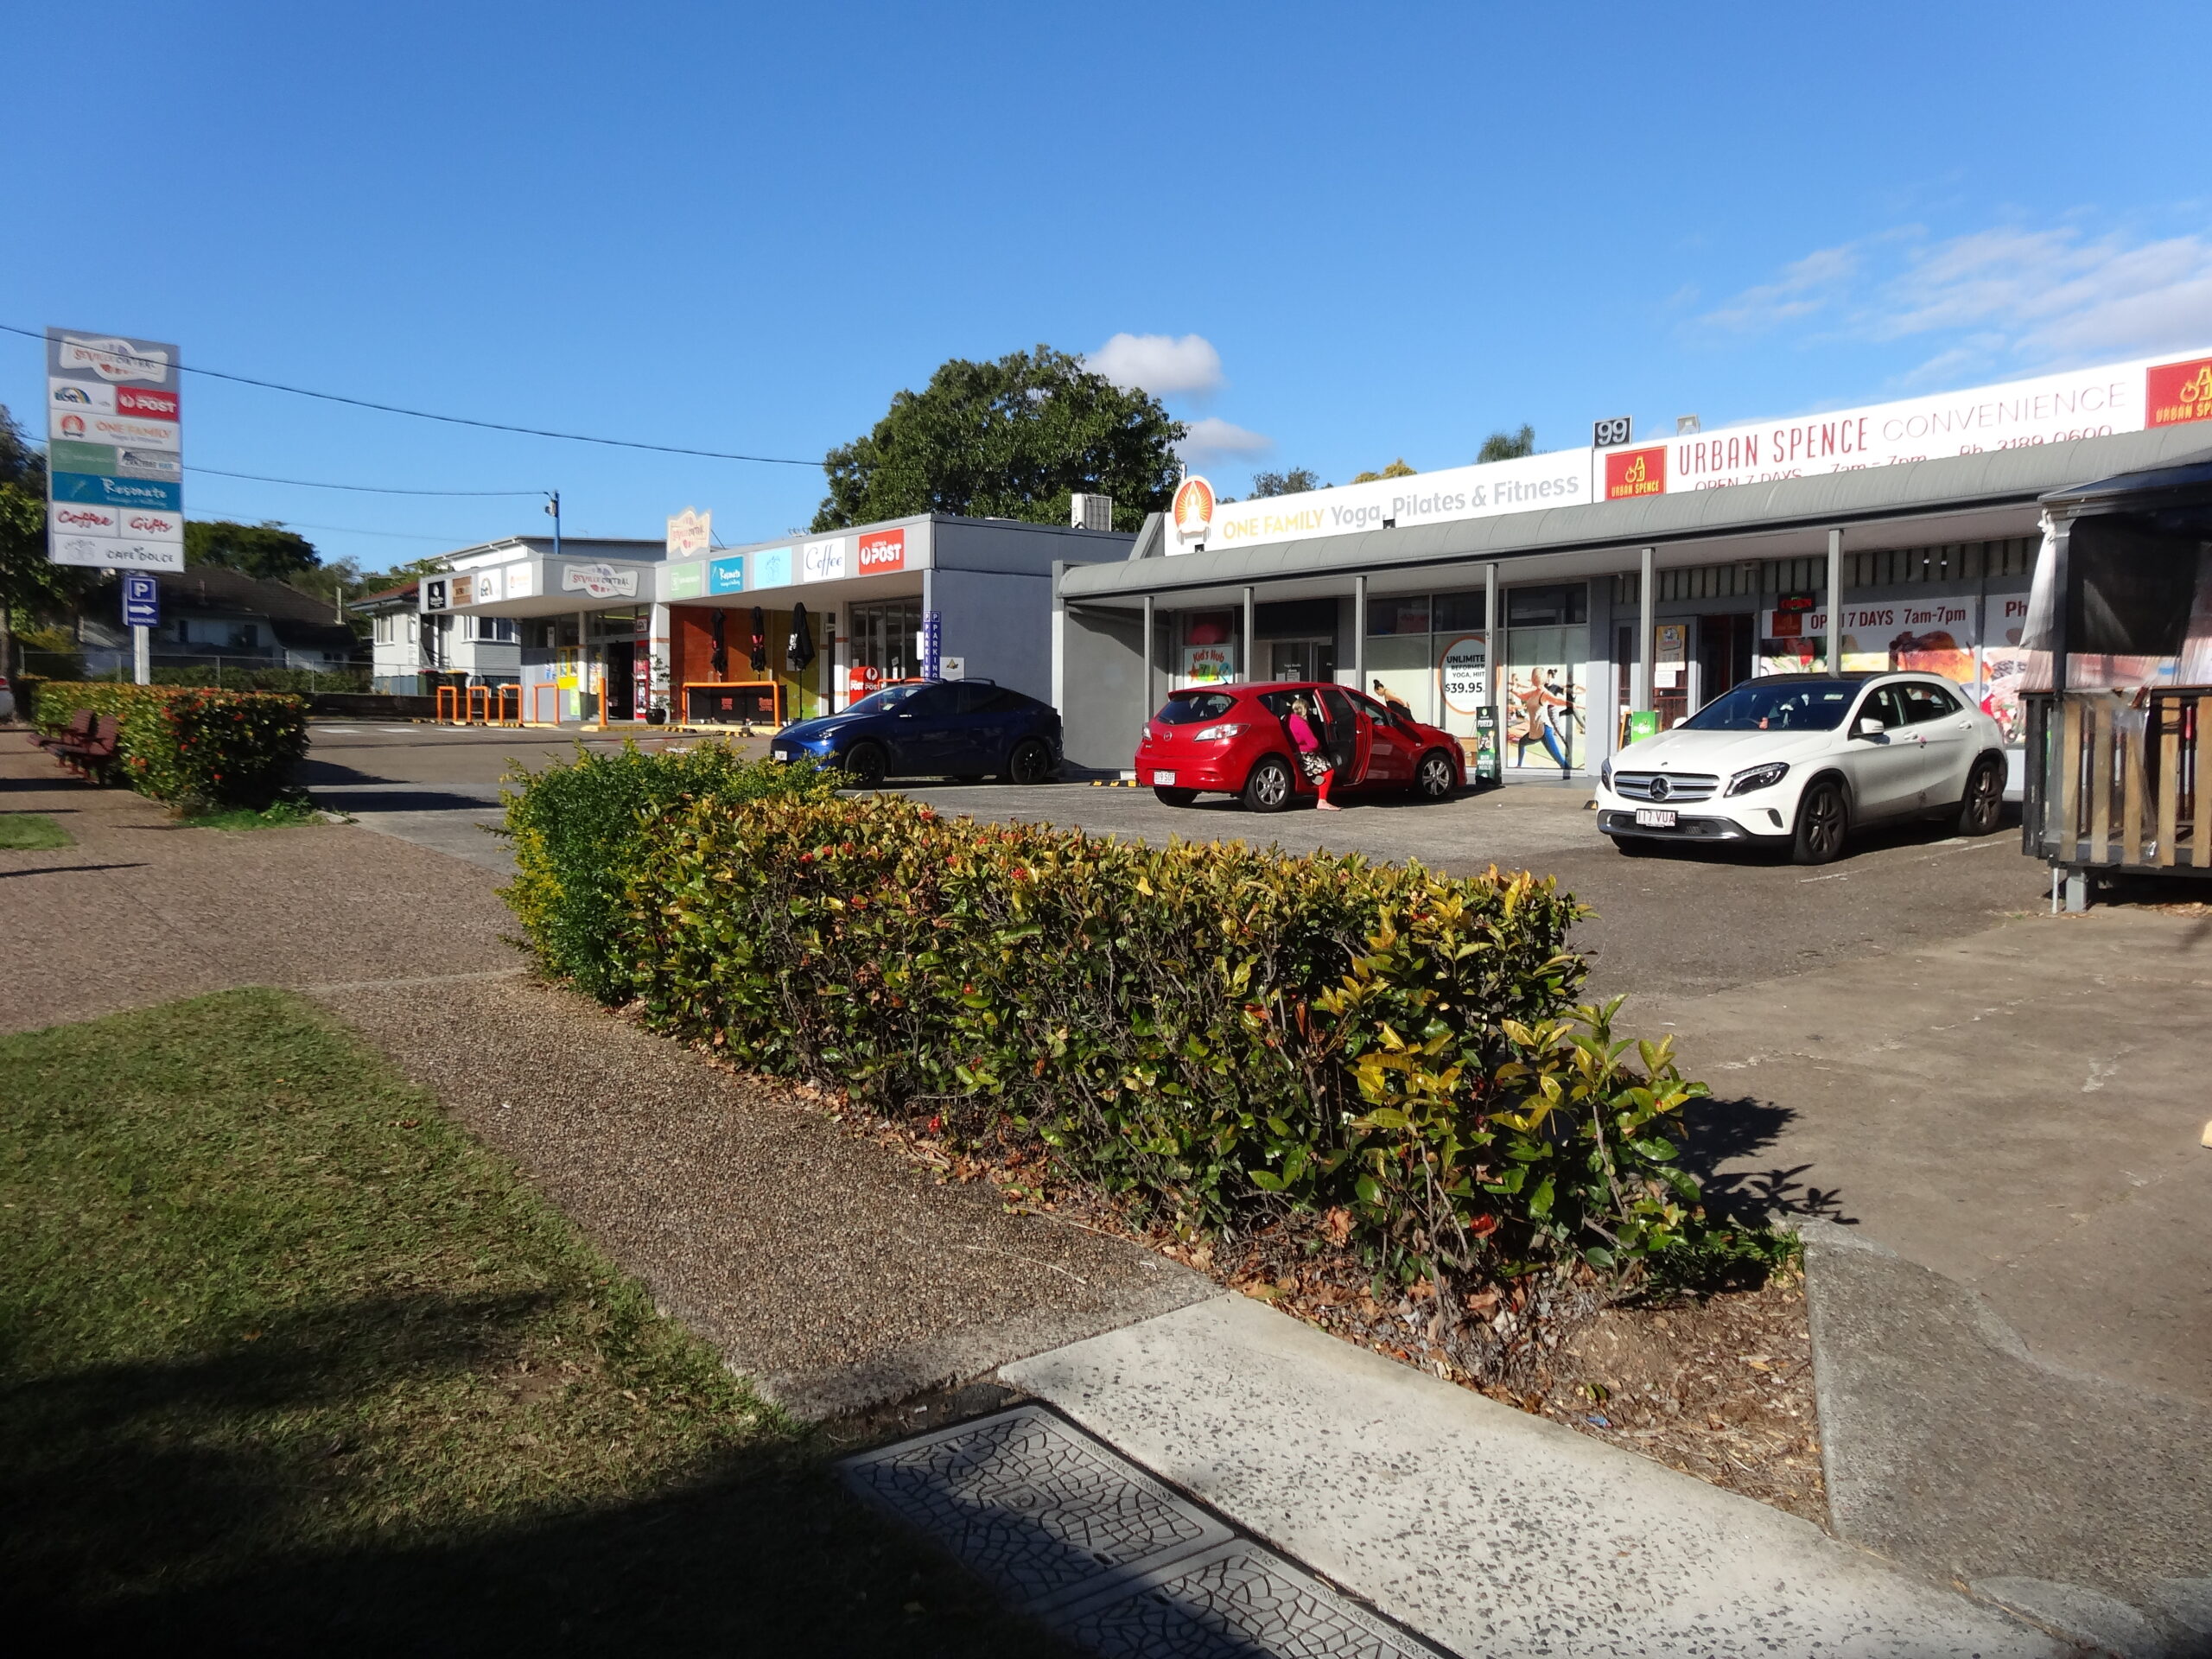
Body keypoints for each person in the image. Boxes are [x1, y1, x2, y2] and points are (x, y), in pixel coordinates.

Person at [1287, 695, 1340, 810]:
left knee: (1317, 770)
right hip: (1306, 755)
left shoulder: (1289, 720)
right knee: (1328, 770)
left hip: (1295, 753)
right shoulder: (1301, 723)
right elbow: (1313, 743)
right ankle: (1322, 800)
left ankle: (1311, 777)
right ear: (1305, 710)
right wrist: (1320, 747)